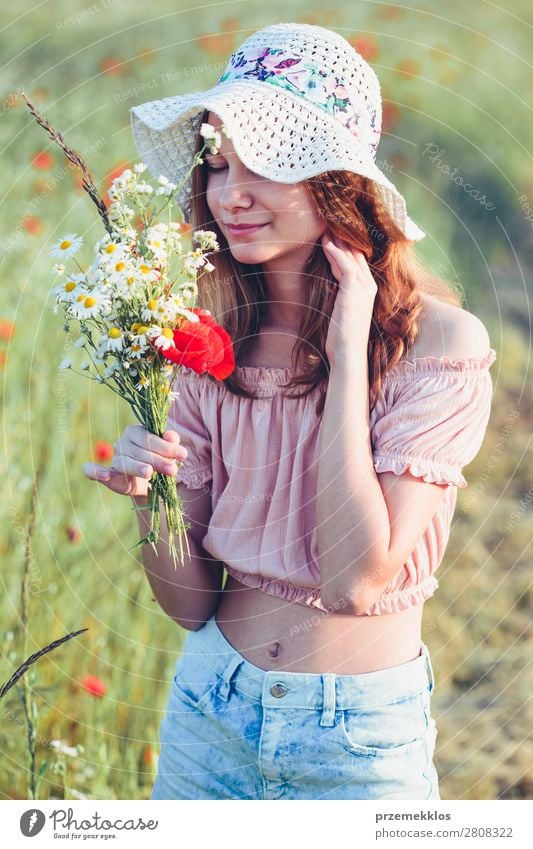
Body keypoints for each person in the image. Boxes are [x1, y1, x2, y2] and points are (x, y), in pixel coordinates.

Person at [84, 22, 497, 800]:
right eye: (216, 165)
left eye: (265, 166)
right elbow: (188, 603)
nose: (228, 193)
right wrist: (153, 499)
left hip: (356, 741)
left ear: (337, 182)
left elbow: (353, 582)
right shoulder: (205, 343)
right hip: (210, 710)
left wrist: (346, 362)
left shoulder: (438, 344)